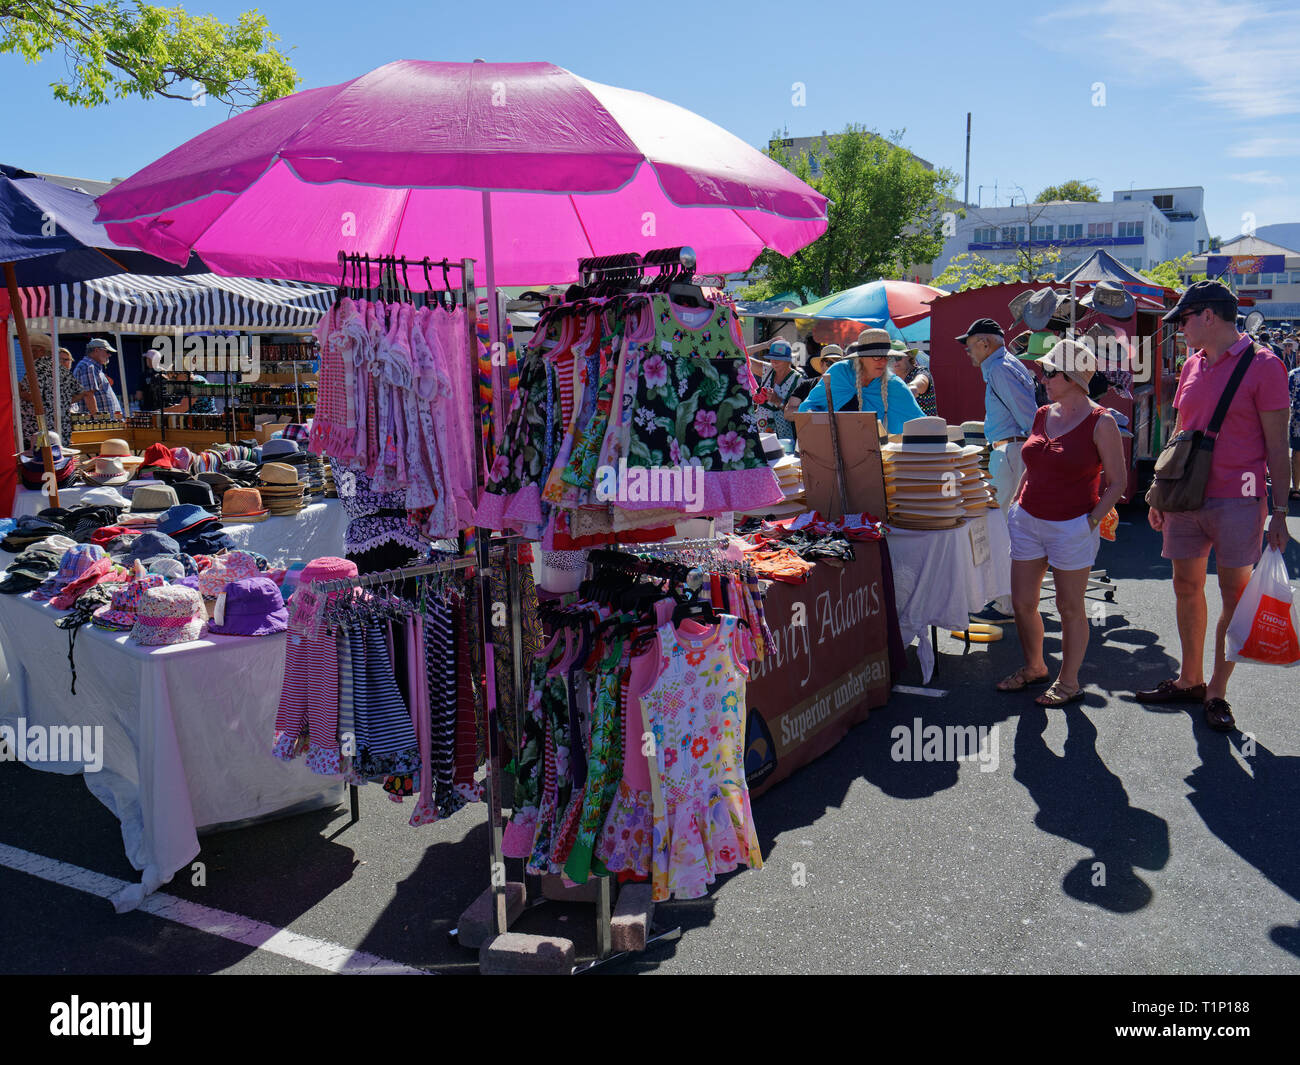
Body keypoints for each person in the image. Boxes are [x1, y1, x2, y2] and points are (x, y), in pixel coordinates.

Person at [1138, 281, 1291, 732]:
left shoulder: (1265, 365)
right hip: (1185, 495)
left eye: (1183, 320)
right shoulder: (1191, 366)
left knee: (1233, 596)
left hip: (1238, 500)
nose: (1179, 328)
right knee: (1185, 585)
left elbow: (1278, 447)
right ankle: (1190, 678)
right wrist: (1158, 493)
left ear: (1208, 315)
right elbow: (1180, 433)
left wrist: (1279, 511)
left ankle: (1216, 692)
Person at [997, 339, 1127, 705]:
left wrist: (1090, 521)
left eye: (1050, 371)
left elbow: (1118, 482)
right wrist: (1016, 504)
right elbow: (1032, 463)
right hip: (1028, 520)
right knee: (1023, 603)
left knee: (1070, 608)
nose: (1043, 376)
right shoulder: (1043, 413)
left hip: (1072, 526)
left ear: (1072, 377)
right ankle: (1035, 667)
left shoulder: (1101, 422)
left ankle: (1068, 682)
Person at [960, 317, 1039, 620]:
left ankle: (1006, 603)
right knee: (1009, 528)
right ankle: (1011, 600)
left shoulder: (1000, 370)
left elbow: (1028, 418)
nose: (968, 351)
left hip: (1011, 452)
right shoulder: (1009, 365)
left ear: (985, 343)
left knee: (1002, 529)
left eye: (970, 345)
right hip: (1014, 450)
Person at [797, 327, 926, 433]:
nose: (882, 361)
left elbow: (919, 425)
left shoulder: (893, 385)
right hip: (833, 454)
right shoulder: (840, 373)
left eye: (886, 357)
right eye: (877, 357)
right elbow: (808, 408)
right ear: (861, 359)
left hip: (879, 458)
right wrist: (814, 417)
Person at [16, 333, 94, 444]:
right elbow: (81, 393)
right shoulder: (60, 369)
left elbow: (31, 395)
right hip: (60, 431)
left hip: (40, 433)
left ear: (40, 350)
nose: (24, 354)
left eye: (27, 350)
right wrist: (59, 403)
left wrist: (17, 390)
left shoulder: (37, 368)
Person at [752, 338, 806, 439]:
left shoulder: (798, 381)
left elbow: (799, 413)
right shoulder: (767, 370)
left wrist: (778, 401)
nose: (774, 362)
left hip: (783, 438)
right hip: (760, 432)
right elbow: (742, 357)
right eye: (772, 357)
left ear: (788, 361)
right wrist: (764, 345)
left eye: (779, 359)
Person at [71, 338, 123, 419]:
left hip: (104, 422)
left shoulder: (92, 366)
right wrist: (98, 419)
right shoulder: (88, 366)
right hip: (99, 424)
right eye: (107, 352)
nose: (109, 355)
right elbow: (88, 395)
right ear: (96, 350)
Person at [891, 346, 938, 416]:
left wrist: (910, 388)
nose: (894, 362)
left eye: (898, 357)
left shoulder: (920, 371)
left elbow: (921, 381)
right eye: (890, 358)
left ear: (909, 356)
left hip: (926, 425)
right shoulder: (891, 379)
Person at [1290, 355, 1300, 500]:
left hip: (1297, 421)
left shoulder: (1294, 374)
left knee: (1297, 454)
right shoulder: (1294, 375)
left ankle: (1296, 487)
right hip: (1297, 421)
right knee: (1297, 454)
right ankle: (1296, 487)